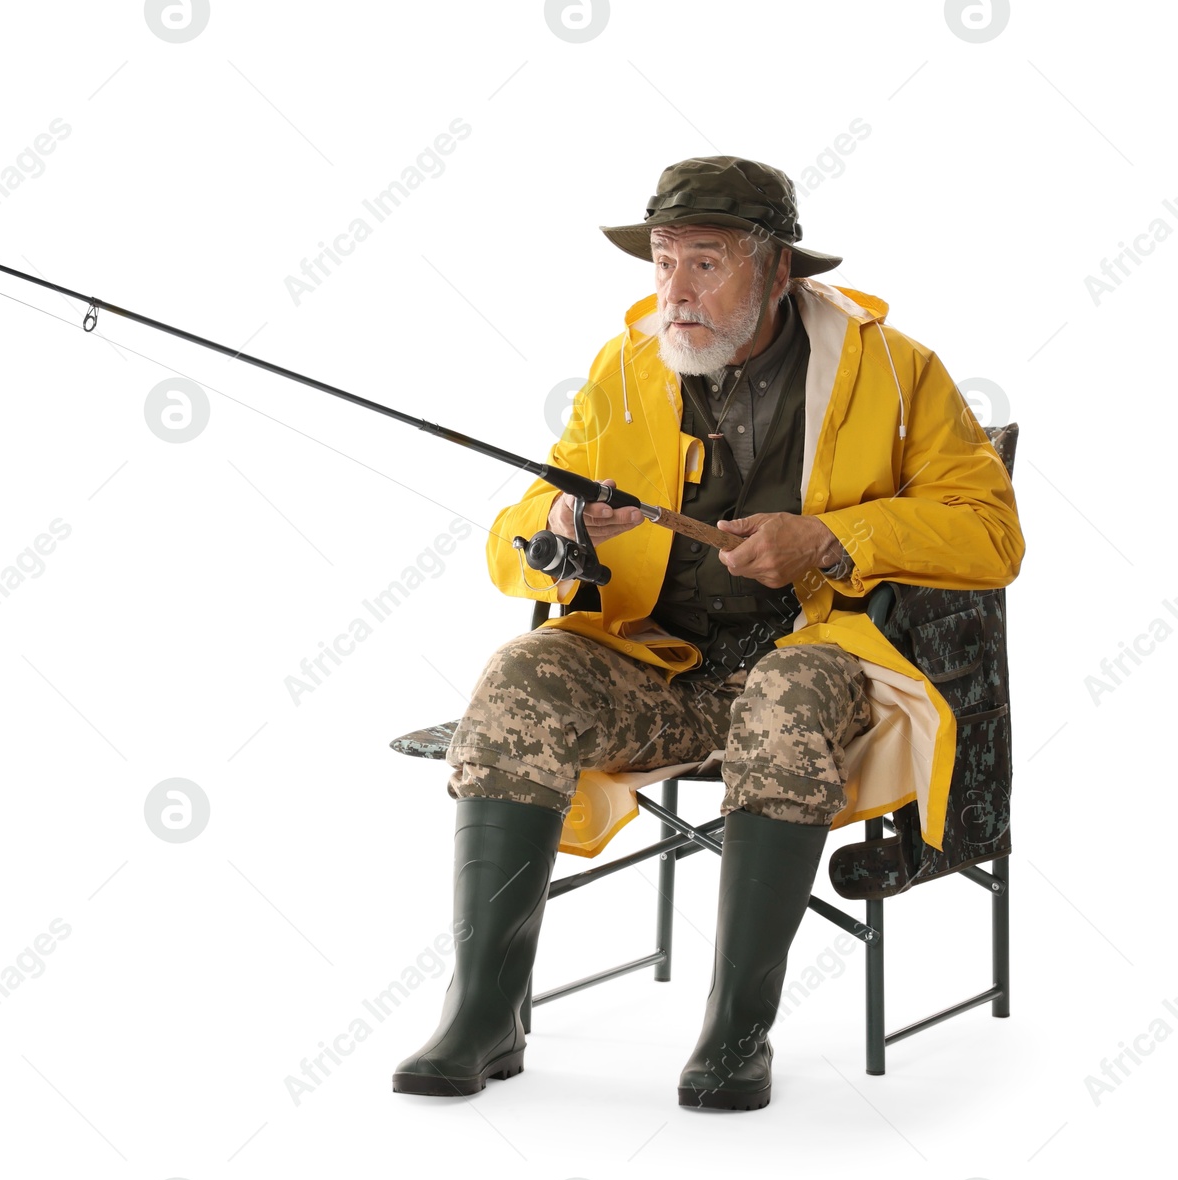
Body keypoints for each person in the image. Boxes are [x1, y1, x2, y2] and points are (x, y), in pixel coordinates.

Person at [391, 155, 1024, 1110]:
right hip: (661, 663)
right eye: (662, 261)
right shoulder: (625, 366)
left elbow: (992, 533)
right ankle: (484, 1012)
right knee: (521, 675)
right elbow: (519, 527)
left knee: (786, 695)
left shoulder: (898, 372)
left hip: (826, 664)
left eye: (706, 263)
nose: (674, 292)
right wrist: (564, 532)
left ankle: (736, 1032)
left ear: (778, 270)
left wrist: (831, 538)